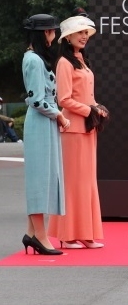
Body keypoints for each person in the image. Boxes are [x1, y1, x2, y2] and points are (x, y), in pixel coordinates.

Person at [49, 13, 107, 249]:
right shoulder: (64, 62)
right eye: (81, 32)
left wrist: (95, 109)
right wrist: (90, 110)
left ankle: (85, 233)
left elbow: (84, 96)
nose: (85, 36)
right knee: (74, 183)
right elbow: (63, 99)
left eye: (86, 33)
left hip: (87, 129)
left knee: (86, 182)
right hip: (73, 131)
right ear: (69, 36)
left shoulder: (81, 59)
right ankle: (67, 234)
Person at [21, 14, 67, 256]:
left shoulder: (37, 58)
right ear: (43, 34)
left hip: (44, 120)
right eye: (51, 31)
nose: (54, 35)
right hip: (42, 120)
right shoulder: (34, 61)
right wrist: (59, 115)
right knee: (40, 178)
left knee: (45, 175)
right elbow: (37, 99)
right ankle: (40, 235)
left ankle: (32, 232)